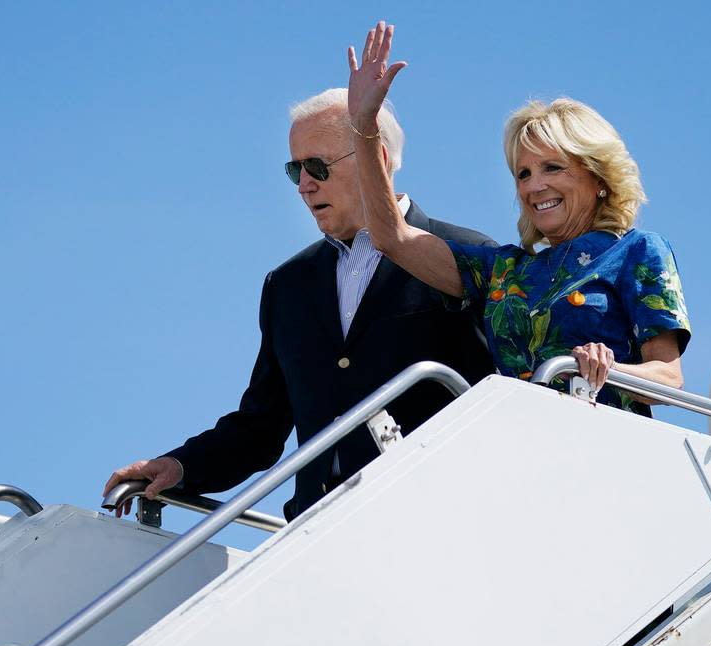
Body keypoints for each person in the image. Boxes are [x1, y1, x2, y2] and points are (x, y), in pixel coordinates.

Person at [103, 88, 496, 521]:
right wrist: (179, 466)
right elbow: (260, 427)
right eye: (296, 170)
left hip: (438, 523)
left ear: (377, 159)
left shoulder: (467, 255)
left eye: (318, 167)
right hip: (318, 537)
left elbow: (501, 398)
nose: (305, 184)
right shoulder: (287, 286)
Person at [346, 22, 691, 415]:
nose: (534, 186)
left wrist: (608, 370)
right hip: (518, 451)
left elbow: (668, 378)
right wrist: (364, 126)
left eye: (552, 168)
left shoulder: (639, 251)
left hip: (605, 454)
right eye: (523, 174)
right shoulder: (501, 270)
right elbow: (392, 236)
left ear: (598, 176)